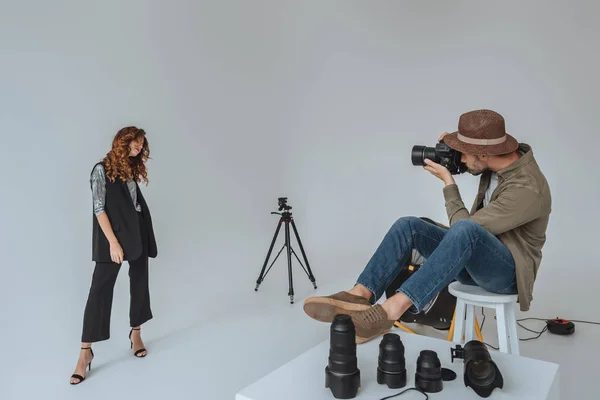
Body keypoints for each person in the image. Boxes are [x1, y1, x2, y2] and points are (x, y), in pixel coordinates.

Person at [303, 109, 551, 344]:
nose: (462, 159)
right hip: (473, 259)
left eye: (465, 153)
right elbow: (475, 166)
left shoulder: (527, 188)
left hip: (505, 275)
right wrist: (453, 150)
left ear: (485, 154)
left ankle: (391, 310)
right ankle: (359, 295)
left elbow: (463, 228)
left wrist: (448, 183)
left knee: (466, 231)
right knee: (409, 226)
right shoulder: (498, 161)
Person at [70, 126, 158, 385]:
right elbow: (99, 209)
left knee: (140, 282)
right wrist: (113, 243)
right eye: (136, 143)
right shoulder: (101, 169)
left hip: (138, 231)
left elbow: (133, 203)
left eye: (142, 144)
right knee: (99, 289)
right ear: (123, 142)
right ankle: (85, 352)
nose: (139, 148)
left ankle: (136, 333)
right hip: (114, 237)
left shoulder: (130, 167)